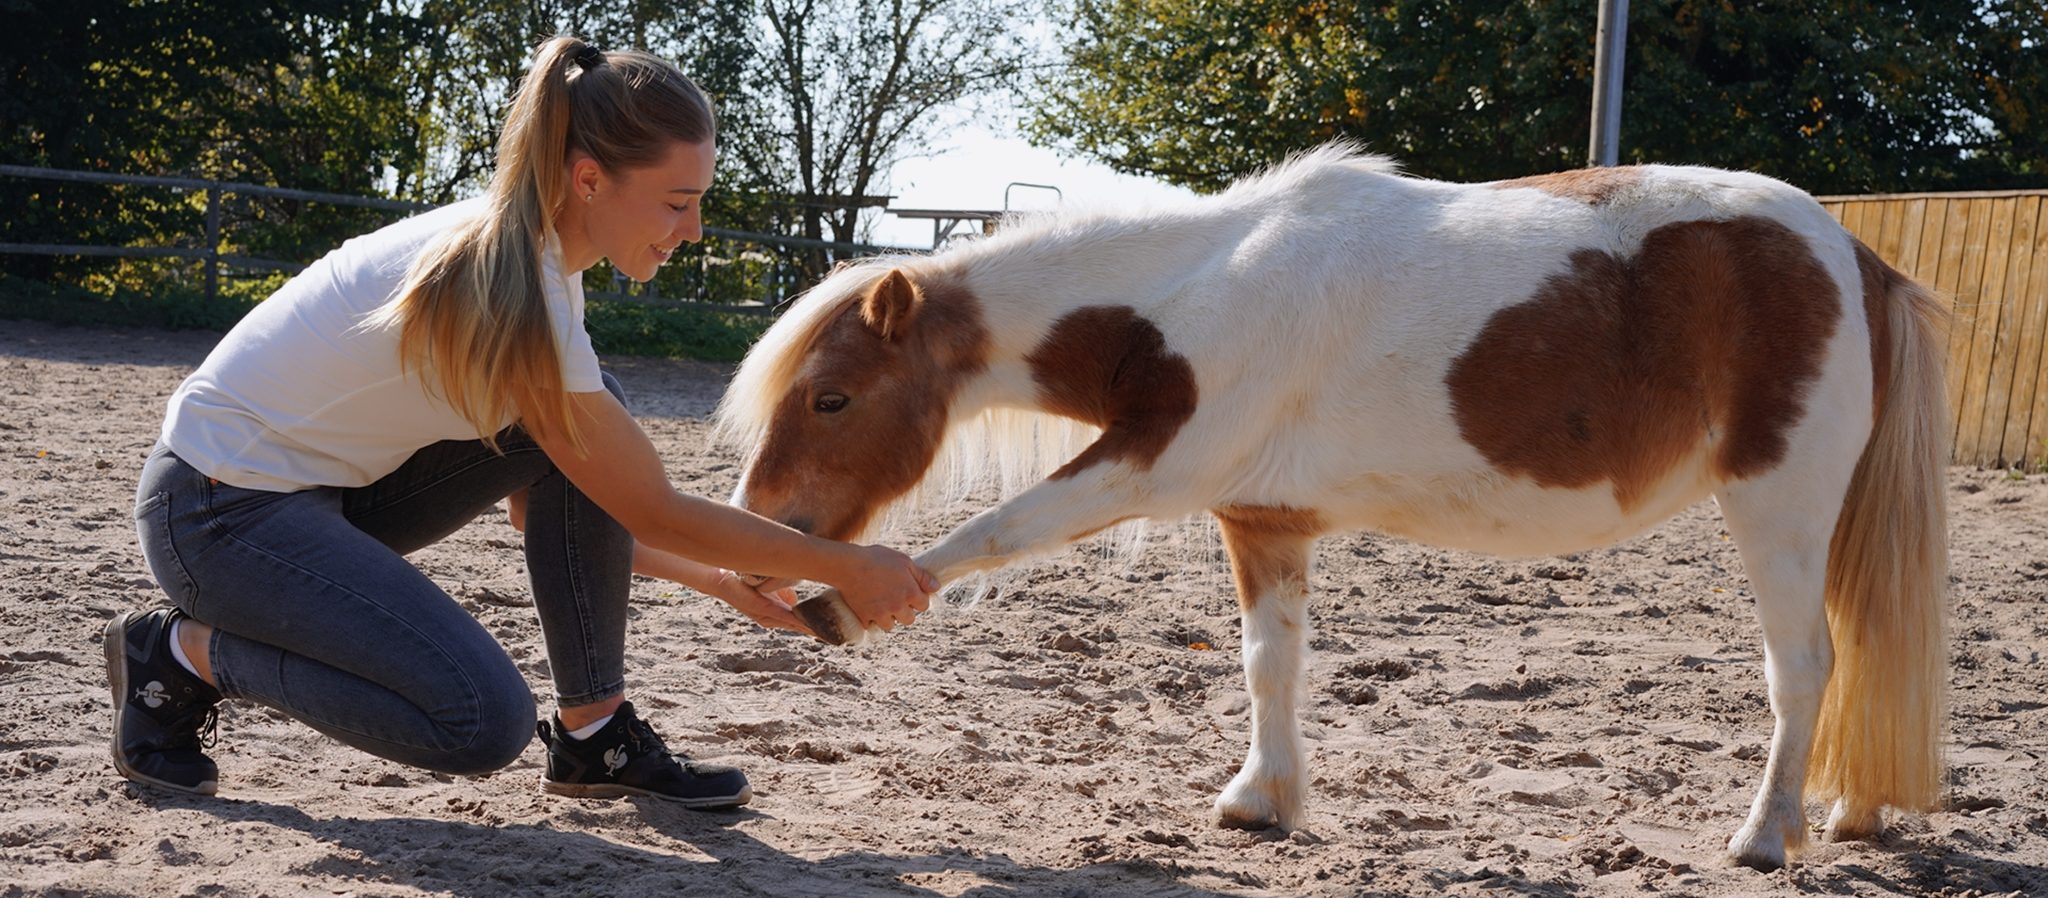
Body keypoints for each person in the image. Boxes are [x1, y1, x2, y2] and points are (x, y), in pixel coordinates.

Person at [105, 36, 936, 808]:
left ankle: (595, 734)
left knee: (592, 412)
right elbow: (652, 509)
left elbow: (568, 504)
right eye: (677, 203)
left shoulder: (534, 258)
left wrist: (723, 581)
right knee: (477, 721)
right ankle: (180, 656)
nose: (693, 229)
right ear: (589, 180)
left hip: (325, 496)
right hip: (215, 513)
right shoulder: (516, 287)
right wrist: (847, 564)